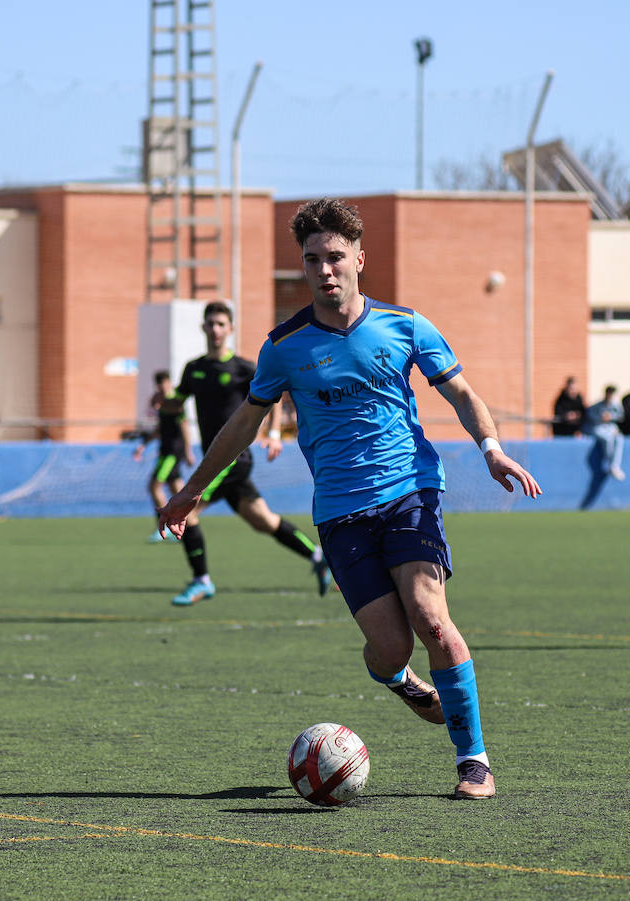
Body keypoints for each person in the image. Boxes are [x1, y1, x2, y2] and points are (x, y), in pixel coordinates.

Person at [159, 199, 541, 799]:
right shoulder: (284, 347)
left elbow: (462, 393)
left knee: (432, 620)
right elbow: (242, 425)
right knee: (390, 646)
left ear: (360, 259)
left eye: (336, 257)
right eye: (313, 260)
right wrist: (190, 490)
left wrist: (490, 448)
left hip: (409, 491)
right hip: (340, 512)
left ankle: (473, 760)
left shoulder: (406, 325)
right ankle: (399, 679)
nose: (325, 270)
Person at [160, 300, 332, 606]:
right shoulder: (194, 369)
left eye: (220, 324)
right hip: (212, 460)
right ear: (203, 328)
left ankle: (202, 581)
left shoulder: (243, 368)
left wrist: (275, 434)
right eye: (210, 324)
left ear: (230, 329)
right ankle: (317, 555)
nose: (215, 330)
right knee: (263, 521)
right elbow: (178, 401)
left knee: (188, 509)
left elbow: (277, 394)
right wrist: (165, 403)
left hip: (234, 459)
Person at [132, 370, 194, 543]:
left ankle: (167, 525)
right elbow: (160, 429)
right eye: (159, 385)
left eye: (164, 383)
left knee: (154, 486)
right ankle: (189, 524)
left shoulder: (175, 403)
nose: (162, 387)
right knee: (178, 489)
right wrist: (143, 445)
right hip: (165, 451)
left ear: (169, 382)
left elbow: (184, 426)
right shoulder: (161, 404)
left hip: (173, 453)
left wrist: (188, 451)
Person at [583, 385, 626, 479]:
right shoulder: (597, 405)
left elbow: (620, 417)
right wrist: (601, 417)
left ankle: (614, 465)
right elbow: (589, 415)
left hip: (610, 427)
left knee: (619, 438)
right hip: (599, 427)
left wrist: (611, 418)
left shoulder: (616, 405)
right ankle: (608, 463)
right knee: (607, 439)